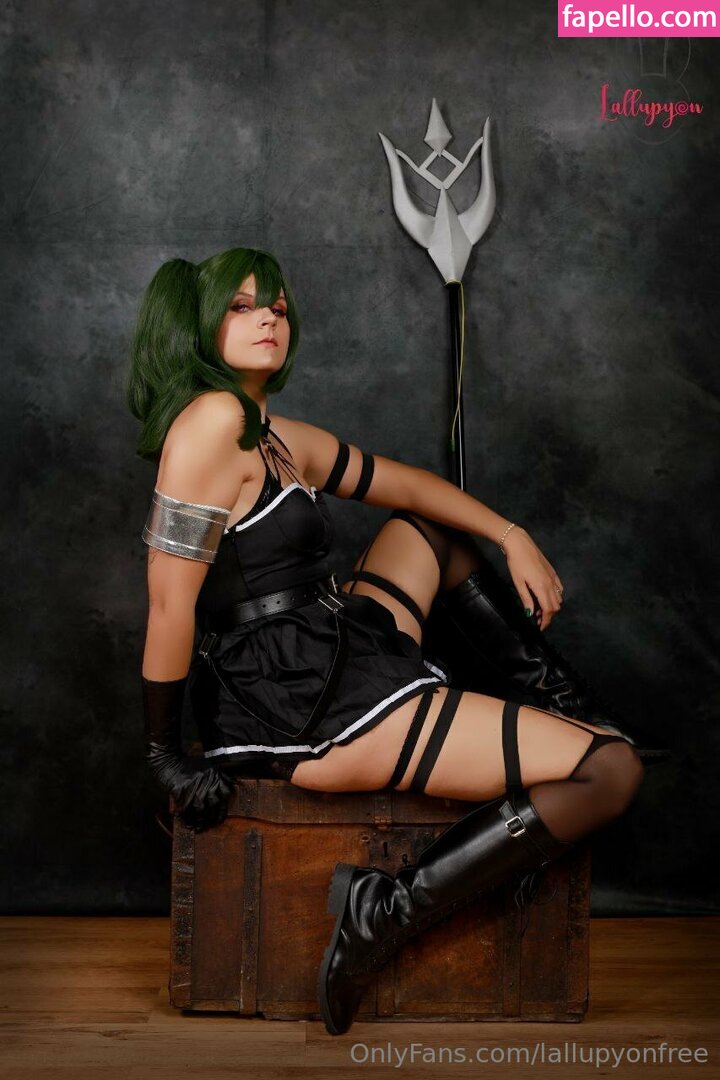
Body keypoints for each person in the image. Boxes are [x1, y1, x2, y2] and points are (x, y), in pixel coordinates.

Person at [128, 246, 648, 1037]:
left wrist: (510, 533)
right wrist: (165, 753)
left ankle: (565, 704)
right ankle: (384, 912)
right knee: (611, 771)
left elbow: (401, 482)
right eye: (241, 306)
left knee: (429, 528)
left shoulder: (272, 435)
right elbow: (170, 603)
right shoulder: (212, 422)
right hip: (294, 698)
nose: (269, 318)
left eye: (277, 306)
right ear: (203, 325)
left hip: (328, 640)